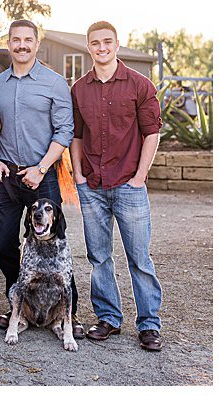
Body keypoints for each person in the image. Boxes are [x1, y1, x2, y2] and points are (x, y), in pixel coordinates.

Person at [71, 21, 164, 351]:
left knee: (139, 257)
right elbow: (77, 135)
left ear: (117, 44)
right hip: (92, 185)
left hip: (129, 184)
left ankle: (149, 325)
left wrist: (139, 178)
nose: (101, 47)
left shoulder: (140, 84)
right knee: (99, 257)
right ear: (89, 47)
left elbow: (151, 133)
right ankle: (109, 317)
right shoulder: (80, 88)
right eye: (95, 43)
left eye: (107, 41)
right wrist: (79, 177)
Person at [0, 19, 83, 338]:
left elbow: (65, 131)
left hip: (42, 175)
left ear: (36, 44)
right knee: (3, 244)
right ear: (9, 42)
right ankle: (21, 303)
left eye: (28, 40)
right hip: (6, 175)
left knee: (54, 242)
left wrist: (40, 168)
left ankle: (66, 312)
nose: (22, 45)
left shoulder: (54, 83)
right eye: (16, 39)